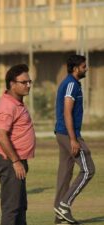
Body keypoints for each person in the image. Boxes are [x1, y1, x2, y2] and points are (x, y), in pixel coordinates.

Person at [54, 55, 95, 225]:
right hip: (68, 134)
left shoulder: (72, 83)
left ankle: (60, 217)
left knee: (65, 174)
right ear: (75, 68)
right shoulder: (71, 84)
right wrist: (73, 139)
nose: (86, 69)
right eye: (84, 66)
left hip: (63, 133)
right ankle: (64, 205)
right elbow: (66, 111)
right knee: (88, 170)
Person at [0, 64, 36, 225]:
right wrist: (16, 161)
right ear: (12, 84)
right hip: (10, 161)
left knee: (20, 206)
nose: (28, 85)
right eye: (24, 82)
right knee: (12, 208)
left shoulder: (16, 102)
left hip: (17, 160)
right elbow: (1, 135)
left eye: (29, 81)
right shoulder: (7, 106)